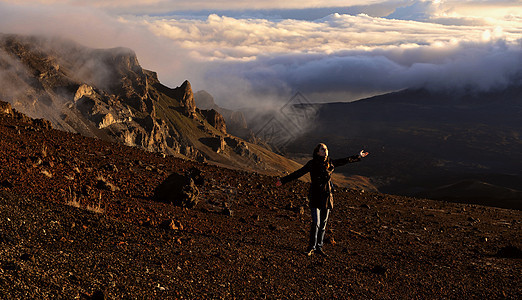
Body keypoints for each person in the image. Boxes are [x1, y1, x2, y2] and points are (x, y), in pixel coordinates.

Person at [276, 143, 369, 257]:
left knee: (323, 224)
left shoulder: (330, 162)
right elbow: (299, 173)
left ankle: (319, 248)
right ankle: (311, 247)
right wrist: (283, 180)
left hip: (327, 195)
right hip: (315, 195)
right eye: (322, 149)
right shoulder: (312, 163)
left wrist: (358, 156)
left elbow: (344, 161)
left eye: (326, 149)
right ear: (317, 152)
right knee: (316, 222)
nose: (325, 151)